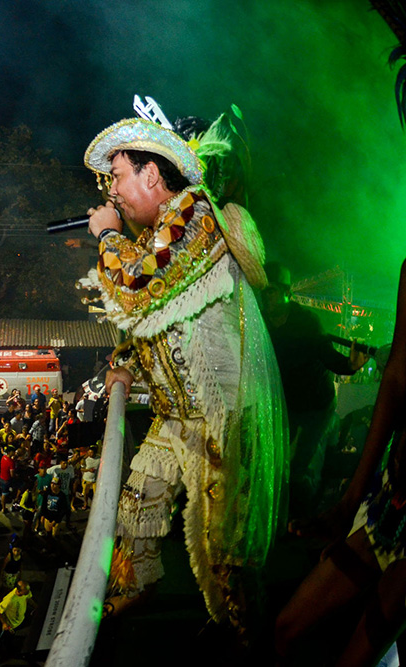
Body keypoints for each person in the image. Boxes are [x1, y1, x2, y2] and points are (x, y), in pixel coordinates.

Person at [79, 110, 286, 626]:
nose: (112, 192)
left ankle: (251, 643)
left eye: (117, 176)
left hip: (223, 420)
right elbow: (159, 318)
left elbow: (136, 290)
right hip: (177, 415)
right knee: (137, 504)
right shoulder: (164, 229)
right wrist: (128, 364)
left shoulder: (194, 213)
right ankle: (137, 589)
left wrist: (106, 236)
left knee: (226, 560)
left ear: (151, 174)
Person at [275, 259, 406, 665]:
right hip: (391, 502)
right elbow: (396, 378)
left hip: (315, 412)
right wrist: (350, 503)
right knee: (285, 630)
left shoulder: (307, 325)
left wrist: (349, 365)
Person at [262, 261, 370, 518]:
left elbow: (329, 357)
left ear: (287, 293)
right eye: (264, 292)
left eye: (272, 291)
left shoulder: (307, 322)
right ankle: (279, 512)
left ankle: (303, 519)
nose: (267, 297)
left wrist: (351, 366)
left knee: (300, 466)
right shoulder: (262, 322)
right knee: (274, 460)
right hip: (287, 403)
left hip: (316, 406)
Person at [0, 580, 36, 654]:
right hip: (10, 624)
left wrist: (36, 606)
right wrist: (4, 623)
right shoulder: (10, 599)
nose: (28, 592)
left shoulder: (26, 593)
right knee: (9, 641)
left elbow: (28, 598)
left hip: (20, 619)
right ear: (19, 591)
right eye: (26, 591)